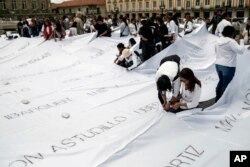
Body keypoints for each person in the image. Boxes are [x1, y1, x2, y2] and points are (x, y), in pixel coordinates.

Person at [215, 26, 250, 102]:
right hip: (228, 65)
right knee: (226, 84)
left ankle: (217, 98)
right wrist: (241, 40)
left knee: (221, 81)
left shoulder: (218, 40)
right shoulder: (231, 42)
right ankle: (223, 101)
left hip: (218, 65)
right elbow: (240, 51)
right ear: (232, 33)